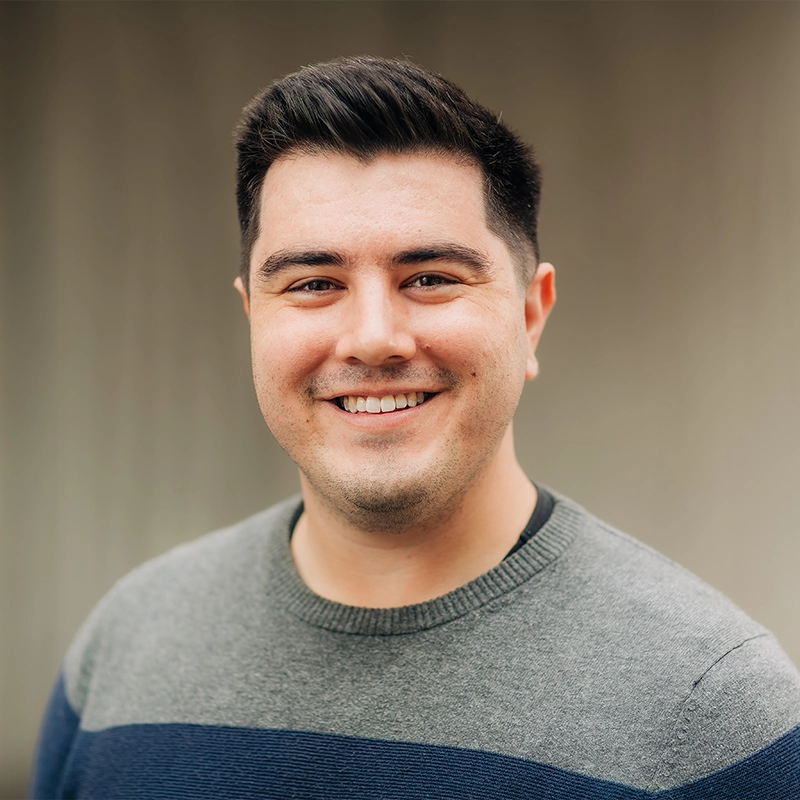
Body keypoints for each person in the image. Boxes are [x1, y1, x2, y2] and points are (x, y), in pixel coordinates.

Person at [32, 56, 799, 799]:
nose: (373, 337)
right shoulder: (124, 650)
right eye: (313, 284)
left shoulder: (714, 711)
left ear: (531, 316)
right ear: (251, 317)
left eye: (430, 278)